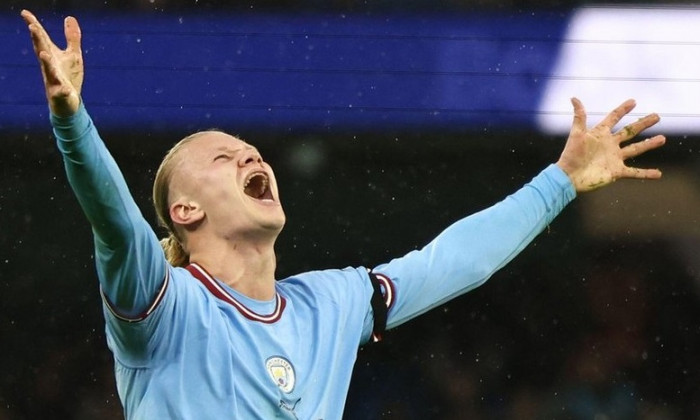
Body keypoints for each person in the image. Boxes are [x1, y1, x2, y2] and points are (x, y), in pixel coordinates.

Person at [21, 9, 667, 419]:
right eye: (223, 158)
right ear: (183, 211)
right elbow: (115, 223)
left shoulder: (329, 305)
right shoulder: (161, 306)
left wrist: (558, 183)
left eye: (251, 151)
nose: (251, 156)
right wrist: (72, 120)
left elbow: (453, 261)